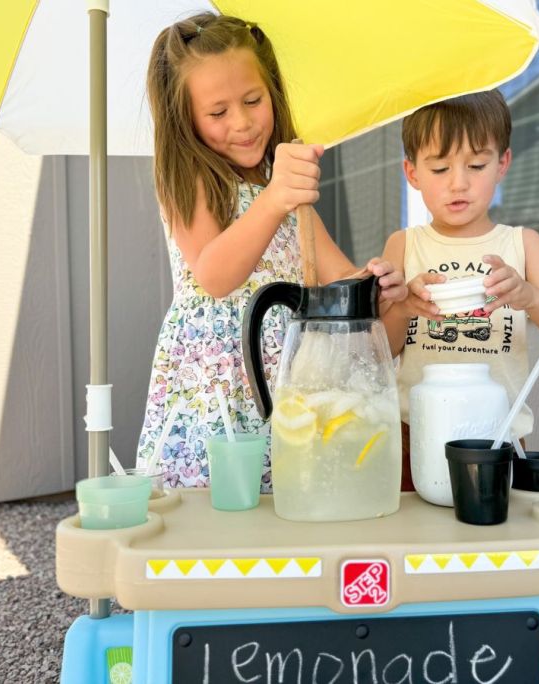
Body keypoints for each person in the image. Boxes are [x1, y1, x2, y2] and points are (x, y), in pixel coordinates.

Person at [137, 13, 406, 491]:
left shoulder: (285, 193)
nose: (241, 123)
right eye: (218, 113)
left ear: (273, 93)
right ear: (186, 118)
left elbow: (339, 279)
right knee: (219, 523)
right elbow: (215, 275)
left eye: (253, 100)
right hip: (217, 391)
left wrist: (380, 284)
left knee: (286, 510)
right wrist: (275, 196)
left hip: (291, 383)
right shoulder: (192, 178)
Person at [380, 91, 539, 490]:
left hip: (498, 436)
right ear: (412, 173)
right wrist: (404, 306)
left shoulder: (523, 244)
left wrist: (530, 296)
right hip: (413, 432)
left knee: (486, 544)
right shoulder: (404, 245)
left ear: (502, 163)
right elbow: (379, 351)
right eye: (440, 168)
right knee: (417, 541)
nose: (459, 183)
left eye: (476, 164)